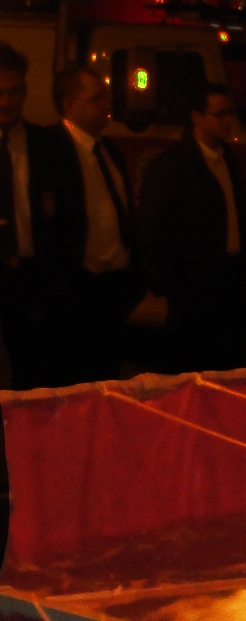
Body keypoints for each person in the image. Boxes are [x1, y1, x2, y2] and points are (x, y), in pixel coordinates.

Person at [33, 64, 145, 385]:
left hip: (113, 289)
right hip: (75, 289)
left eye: (107, 98)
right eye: (97, 99)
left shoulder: (109, 150)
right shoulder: (49, 150)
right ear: (70, 105)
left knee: (106, 377)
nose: (107, 105)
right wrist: (58, 286)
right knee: (73, 379)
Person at [137, 83, 246, 373]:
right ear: (196, 117)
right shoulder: (174, 165)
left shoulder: (225, 160)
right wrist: (169, 282)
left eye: (230, 113)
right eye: (220, 114)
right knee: (192, 363)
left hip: (228, 279)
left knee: (225, 362)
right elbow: (154, 226)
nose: (228, 120)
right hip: (193, 285)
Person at [0, 41, 63, 390]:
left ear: (25, 91)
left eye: (13, 92)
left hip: (31, 281)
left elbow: (67, 219)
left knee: (34, 379)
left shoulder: (47, 145)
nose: (5, 102)